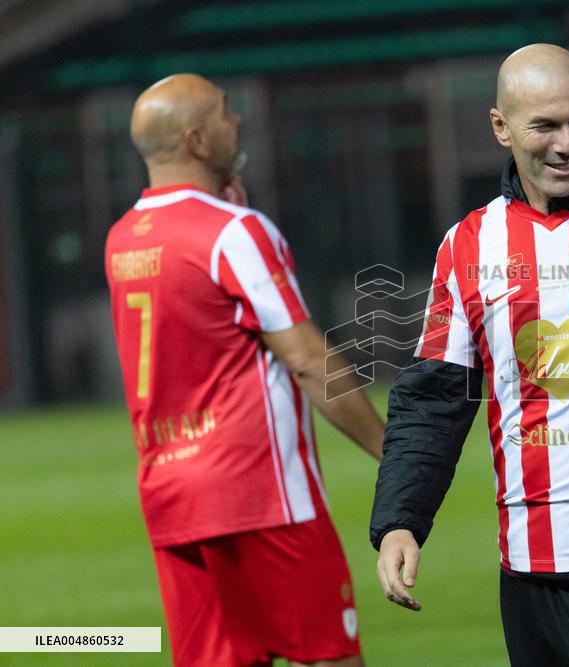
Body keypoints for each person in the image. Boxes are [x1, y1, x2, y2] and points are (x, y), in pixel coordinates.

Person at [370, 44, 569, 665]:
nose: (567, 143)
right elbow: (433, 398)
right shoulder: (469, 244)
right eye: (545, 126)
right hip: (530, 576)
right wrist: (400, 519)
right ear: (501, 127)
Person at [105, 73, 385, 667]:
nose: (236, 122)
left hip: (170, 495)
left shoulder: (122, 239)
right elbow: (306, 360)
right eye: (225, 112)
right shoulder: (236, 232)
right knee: (330, 657)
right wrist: (392, 453)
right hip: (259, 495)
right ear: (197, 140)